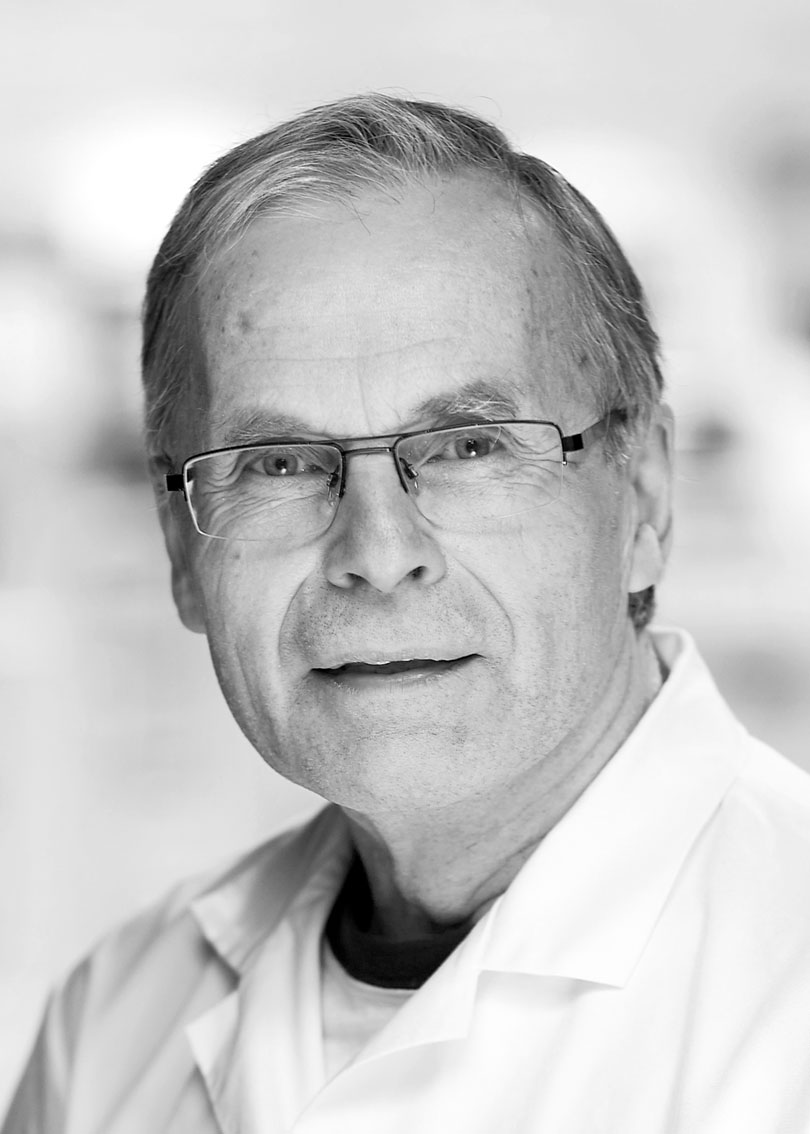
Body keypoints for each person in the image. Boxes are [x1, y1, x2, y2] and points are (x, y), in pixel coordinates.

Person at [4, 94, 810, 1134]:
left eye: (471, 447)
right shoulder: (112, 1026)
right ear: (182, 550)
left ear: (645, 498)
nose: (379, 555)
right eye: (278, 464)